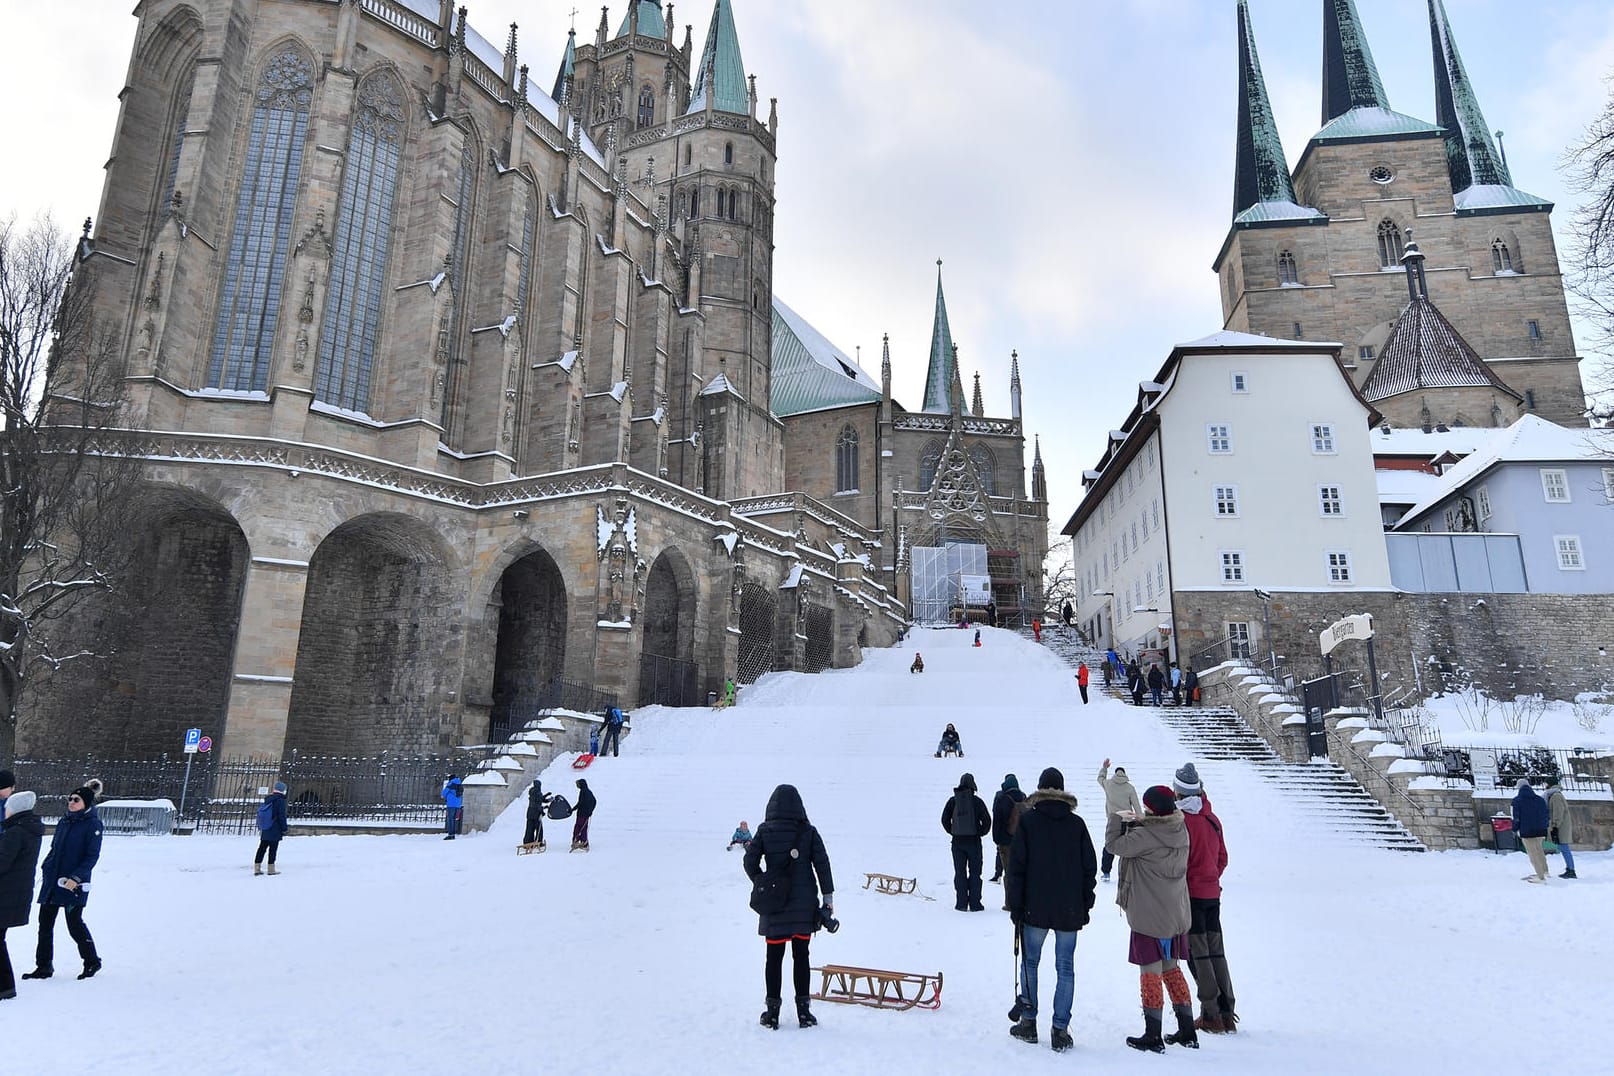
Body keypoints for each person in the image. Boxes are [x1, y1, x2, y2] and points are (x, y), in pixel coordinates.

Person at [1005, 766, 1098, 1052]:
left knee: (1030, 962)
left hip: (1035, 906)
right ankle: (1060, 1029)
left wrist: (1015, 905)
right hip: (1069, 908)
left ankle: (1029, 1022)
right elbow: (1089, 868)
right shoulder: (1077, 824)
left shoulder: (1029, 822)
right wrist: (1085, 902)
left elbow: (1016, 868)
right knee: (1065, 968)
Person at [1106, 785, 1195, 1053]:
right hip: (1174, 912)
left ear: (1152, 809)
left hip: (1148, 914)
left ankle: (1152, 1034)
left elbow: (1114, 845)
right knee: (1171, 967)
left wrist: (1117, 817)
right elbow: (1157, 830)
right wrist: (1143, 821)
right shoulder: (1179, 829)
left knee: (1150, 972)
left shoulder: (1146, 836)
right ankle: (1188, 1030)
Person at [743, 784, 834, 1030]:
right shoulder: (808, 831)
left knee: (773, 958)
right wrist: (828, 899)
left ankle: (772, 1013)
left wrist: (761, 881)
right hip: (804, 906)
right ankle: (804, 1013)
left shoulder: (764, 830)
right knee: (801, 956)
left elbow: (749, 860)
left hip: (774, 904)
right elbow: (822, 864)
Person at [1175, 763, 1237, 1033]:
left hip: (1190, 895)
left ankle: (1210, 1014)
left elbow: (1178, 861)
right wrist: (1211, 876)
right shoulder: (1212, 818)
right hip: (1212, 894)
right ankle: (1227, 1011)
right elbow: (1222, 858)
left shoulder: (1181, 821)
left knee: (1198, 955)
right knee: (1217, 953)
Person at [25, 782, 104, 982]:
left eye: (76, 800)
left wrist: (76, 878)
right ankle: (43, 966)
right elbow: (54, 848)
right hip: (54, 881)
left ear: (85, 803)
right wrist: (47, 865)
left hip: (73, 885)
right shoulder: (64, 822)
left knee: (74, 924)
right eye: (70, 799)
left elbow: (91, 856)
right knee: (45, 924)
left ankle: (91, 960)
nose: (71, 802)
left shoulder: (92, 825)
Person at [1, 790, 45, 1001]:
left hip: (5, 894)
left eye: (8, 807)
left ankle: (5, 987)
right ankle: (5, 985)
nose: (5, 810)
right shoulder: (28, 830)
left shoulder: (15, 832)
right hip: (13, 894)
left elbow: (2, 862)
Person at [940, 773, 992, 912]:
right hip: (974, 842)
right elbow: (987, 821)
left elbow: (944, 819)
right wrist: (979, 832)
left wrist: (952, 831)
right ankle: (975, 904)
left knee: (960, 872)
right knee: (975, 873)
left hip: (957, 842)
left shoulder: (953, 801)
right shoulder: (977, 802)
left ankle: (961, 903)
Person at [1097, 759, 1142, 883]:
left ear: (1115, 773)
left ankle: (1106, 872)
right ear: (1125, 774)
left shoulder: (1108, 784)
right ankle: (1128, 873)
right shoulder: (1130, 787)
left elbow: (1100, 778)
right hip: (1128, 822)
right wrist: (1141, 818)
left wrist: (1104, 768)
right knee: (1128, 847)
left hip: (1113, 821)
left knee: (1109, 846)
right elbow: (1136, 805)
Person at [989, 774, 1026, 888]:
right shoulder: (1024, 798)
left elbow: (997, 821)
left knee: (1009, 873)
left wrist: (997, 840)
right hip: (1022, 842)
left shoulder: (1002, 799)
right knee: (1021, 872)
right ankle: (1022, 902)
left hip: (1005, 841)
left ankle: (1010, 903)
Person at [1511, 779, 1551, 883]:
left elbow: (1516, 817)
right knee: (1539, 850)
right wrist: (1545, 827)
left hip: (1526, 830)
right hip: (1540, 830)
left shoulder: (1517, 801)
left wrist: (1515, 829)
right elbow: (1546, 814)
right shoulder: (1539, 799)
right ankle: (1545, 871)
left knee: (1532, 853)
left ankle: (1540, 876)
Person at [253, 780, 289, 875]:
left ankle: (257, 867)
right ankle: (271, 868)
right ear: (282, 790)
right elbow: (281, 815)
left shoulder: (268, 799)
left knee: (262, 847)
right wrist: (284, 828)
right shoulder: (280, 800)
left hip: (266, 826)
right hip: (275, 827)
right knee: (273, 848)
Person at [1545, 781, 1577, 879]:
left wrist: (1555, 826)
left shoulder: (1556, 796)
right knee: (1563, 848)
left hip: (1560, 827)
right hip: (1561, 826)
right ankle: (1570, 868)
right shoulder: (1555, 794)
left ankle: (1571, 870)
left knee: (1564, 848)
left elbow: (1558, 812)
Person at [522, 780, 549, 848]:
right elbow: (537, 805)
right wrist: (543, 811)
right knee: (539, 829)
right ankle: (539, 842)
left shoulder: (532, 792)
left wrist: (547, 795)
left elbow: (539, 799)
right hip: (536, 814)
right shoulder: (538, 793)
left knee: (529, 828)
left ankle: (527, 841)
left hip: (529, 813)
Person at [572, 778, 597, 851]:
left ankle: (576, 841)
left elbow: (580, 803)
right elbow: (594, 801)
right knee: (583, 828)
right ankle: (584, 841)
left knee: (578, 827)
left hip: (581, 814)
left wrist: (573, 809)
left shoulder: (583, 792)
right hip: (586, 814)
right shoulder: (589, 791)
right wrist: (590, 811)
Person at [441, 774, 464, 840]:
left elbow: (444, 792)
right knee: (455, 819)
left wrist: (443, 796)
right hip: (458, 804)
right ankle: (454, 833)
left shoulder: (451, 783)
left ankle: (450, 834)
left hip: (451, 804)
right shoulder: (459, 783)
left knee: (450, 819)